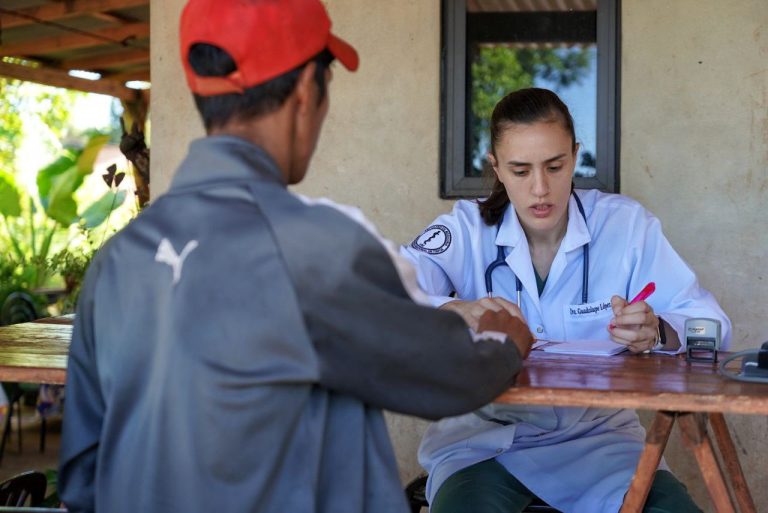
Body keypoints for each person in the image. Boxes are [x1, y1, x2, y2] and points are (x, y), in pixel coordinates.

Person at [57, 2, 535, 512]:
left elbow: (85, 476)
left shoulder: (117, 261)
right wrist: (505, 343)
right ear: (308, 90)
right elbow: (448, 376)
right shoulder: (318, 247)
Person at [400, 88, 731, 513]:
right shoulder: (465, 230)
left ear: (575, 156)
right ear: (496, 168)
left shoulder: (626, 227)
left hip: (600, 442)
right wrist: (452, 310)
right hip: (485, 442)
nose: (541, 189)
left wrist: (660, 330)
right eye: (520, 170)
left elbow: (714, 328)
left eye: (555, 166)